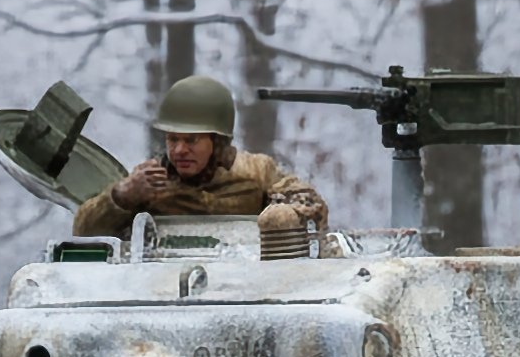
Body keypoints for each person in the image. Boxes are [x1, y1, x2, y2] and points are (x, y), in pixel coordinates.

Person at [70, 74, 329, 239]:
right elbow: (84, 231)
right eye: (173, 139)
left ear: (217, 142)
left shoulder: (257, 172)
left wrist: (283, 214)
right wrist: (122, 197)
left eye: (192, 140)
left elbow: (313, 212)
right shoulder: (147, 183)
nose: (179, 150)